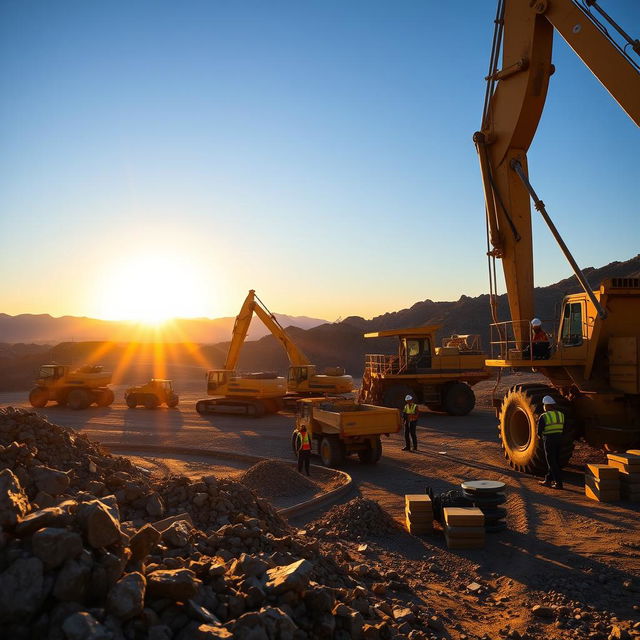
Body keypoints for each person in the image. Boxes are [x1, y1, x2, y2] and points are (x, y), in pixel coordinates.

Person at [537, 395, 565, 489]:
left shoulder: (544, 416)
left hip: (549, 440)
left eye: (544, 405)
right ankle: (548, 480)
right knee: (555, 460)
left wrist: (540, 438)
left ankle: (558, 483)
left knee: (551, 462)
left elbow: (539, 432)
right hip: (559, 439)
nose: (544, 407)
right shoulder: (561, 414)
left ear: (547, 406)